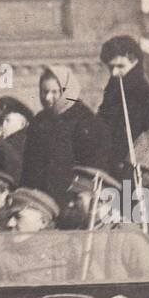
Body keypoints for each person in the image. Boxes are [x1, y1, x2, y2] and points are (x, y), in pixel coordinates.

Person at [21, 66, 110, 201]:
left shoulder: (85, 121)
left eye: (54, 92)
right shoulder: (38, 121)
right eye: (44, 92)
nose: (47, 97)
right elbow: (29, 166)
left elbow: (93, 166)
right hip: (40, 200)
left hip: (71, 199)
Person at [97, 35, 149, 179]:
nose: (114, 73)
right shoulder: (110, 98)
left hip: (141, 179)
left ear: (135, 62)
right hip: (110, 176)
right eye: (111, 67)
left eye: (120, 66)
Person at [58, 166, 123, 231]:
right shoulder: (74, 229)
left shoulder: (122, 233)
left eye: (76, 198)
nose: (70, 204)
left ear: (101, 201)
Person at [0, 95, 35, 173]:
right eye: (2, 121)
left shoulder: (21, 144)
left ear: (23, 123)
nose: (3, 125)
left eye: (8, 120)